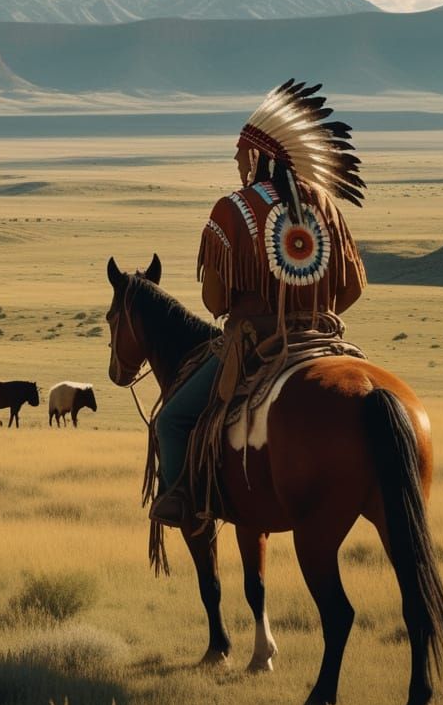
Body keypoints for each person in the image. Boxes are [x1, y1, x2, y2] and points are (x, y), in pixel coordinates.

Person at [150, 79, 367, 528]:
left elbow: (214, 301)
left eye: (239, 153)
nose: (235, 161)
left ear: (257, 155)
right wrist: (312, 318)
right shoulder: (326, 206)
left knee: (171, 420)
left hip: (253, 344)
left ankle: (179, 498)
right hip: (322, 339)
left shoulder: (233, 209)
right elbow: (353, 289)